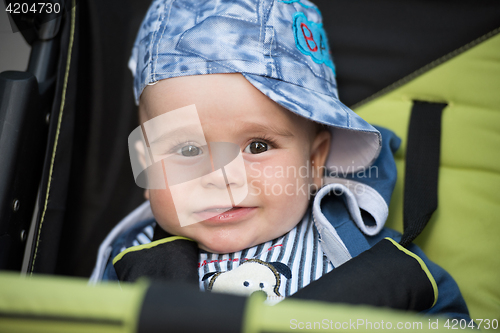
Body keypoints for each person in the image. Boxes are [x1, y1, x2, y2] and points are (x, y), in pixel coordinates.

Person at [92, 0, 471, 319]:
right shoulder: (127, 261)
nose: (223, 177)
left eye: (258, 146)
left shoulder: (367, 256)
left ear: (315, 160)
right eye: (188, 150)